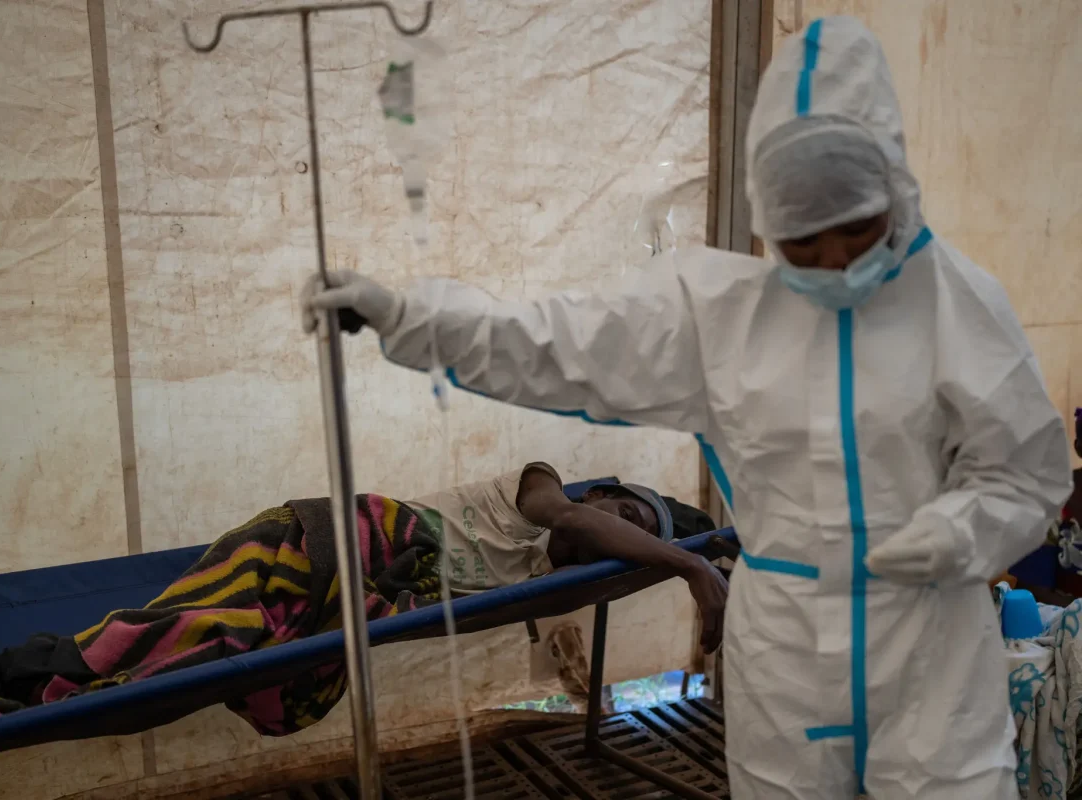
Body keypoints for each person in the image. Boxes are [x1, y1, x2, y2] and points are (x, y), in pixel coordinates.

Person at [303, 16, 1073, 800]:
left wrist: (955, 536)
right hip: (788, 652)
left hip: (931, 643)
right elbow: (554, 344)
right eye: (804, 241)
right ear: (766, 220)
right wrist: (407, 320)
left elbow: (1026, 474)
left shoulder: (958, 303)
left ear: (895, 190)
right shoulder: (721, 317)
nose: (834, 261)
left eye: (857, 230)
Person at [0, 463, 727, 741]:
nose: (614, 529)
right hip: (323, 547)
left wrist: (693, 555)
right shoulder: (540, 490)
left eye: (636, 531)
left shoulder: (551, 578)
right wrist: (693, 571)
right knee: (141, 662)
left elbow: (601, 548)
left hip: (334, 606)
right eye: (624, 512)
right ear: (601, 494)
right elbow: (579, 516)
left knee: (156, 692)